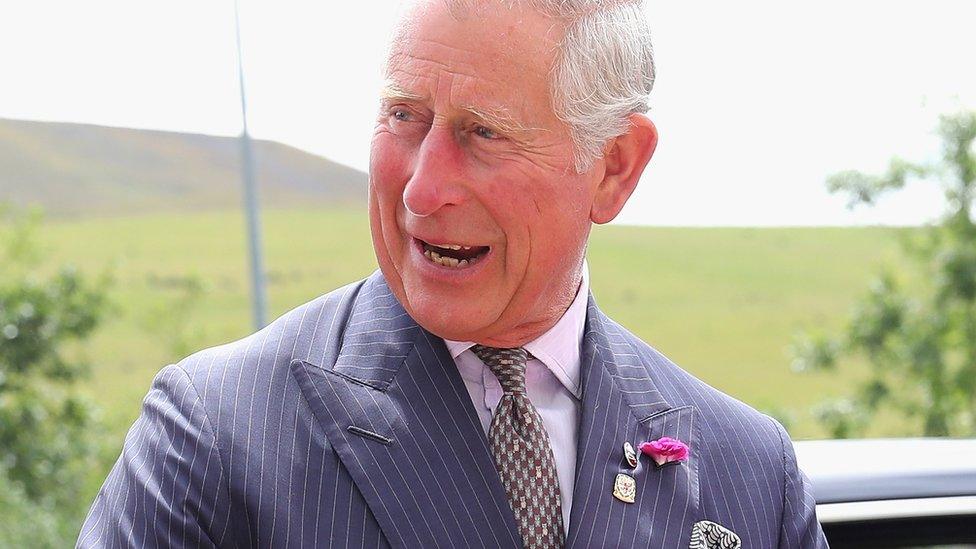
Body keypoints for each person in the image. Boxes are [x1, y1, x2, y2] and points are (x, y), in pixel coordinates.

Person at [78, 0, 828, 547]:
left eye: (484, 132)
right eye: (404, 115)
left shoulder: (751, 473)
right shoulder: (216, 435)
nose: (420, 188)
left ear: (614, 168)